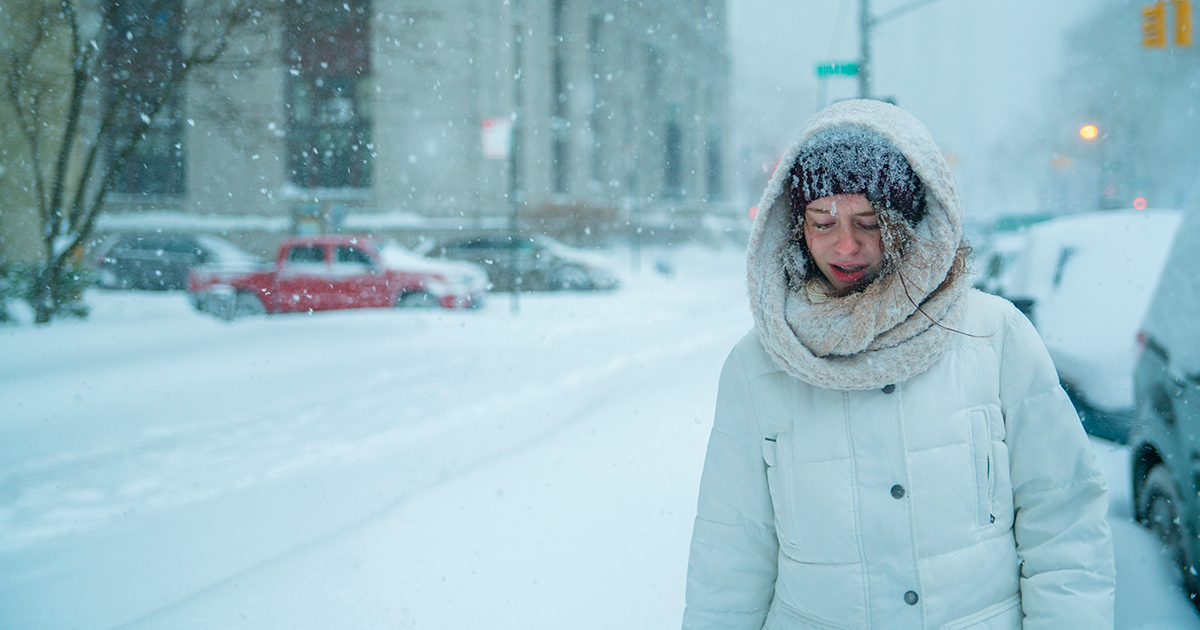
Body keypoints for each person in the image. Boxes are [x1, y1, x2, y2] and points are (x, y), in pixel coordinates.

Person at [682, 100, 1114, 630]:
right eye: (823, 222)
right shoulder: (758, 366)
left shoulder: (993, 336)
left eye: (869, 222)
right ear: (797, 229)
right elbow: (731, 553)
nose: (846, 245)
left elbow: (1064, 523)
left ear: (908, 223)